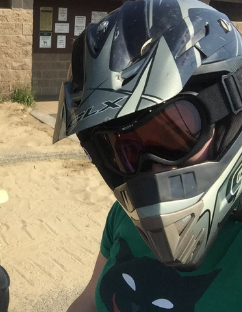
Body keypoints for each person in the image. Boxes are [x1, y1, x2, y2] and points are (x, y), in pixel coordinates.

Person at [55, 1, 242, 311]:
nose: (152, 172)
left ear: (229, 113)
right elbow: (89, 301)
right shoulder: (123, 217)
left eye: (170, 137)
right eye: (123, 150)